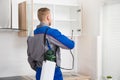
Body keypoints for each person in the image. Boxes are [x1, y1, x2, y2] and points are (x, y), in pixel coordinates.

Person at [27, 7, 75, 80]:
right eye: (51, 16)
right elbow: (71, 45)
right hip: (53, 72)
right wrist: (71, 41)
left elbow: (30, 57)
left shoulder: (31, 35)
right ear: (48, 17)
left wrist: (38, 69)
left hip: (39, 73)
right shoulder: (51, 32)